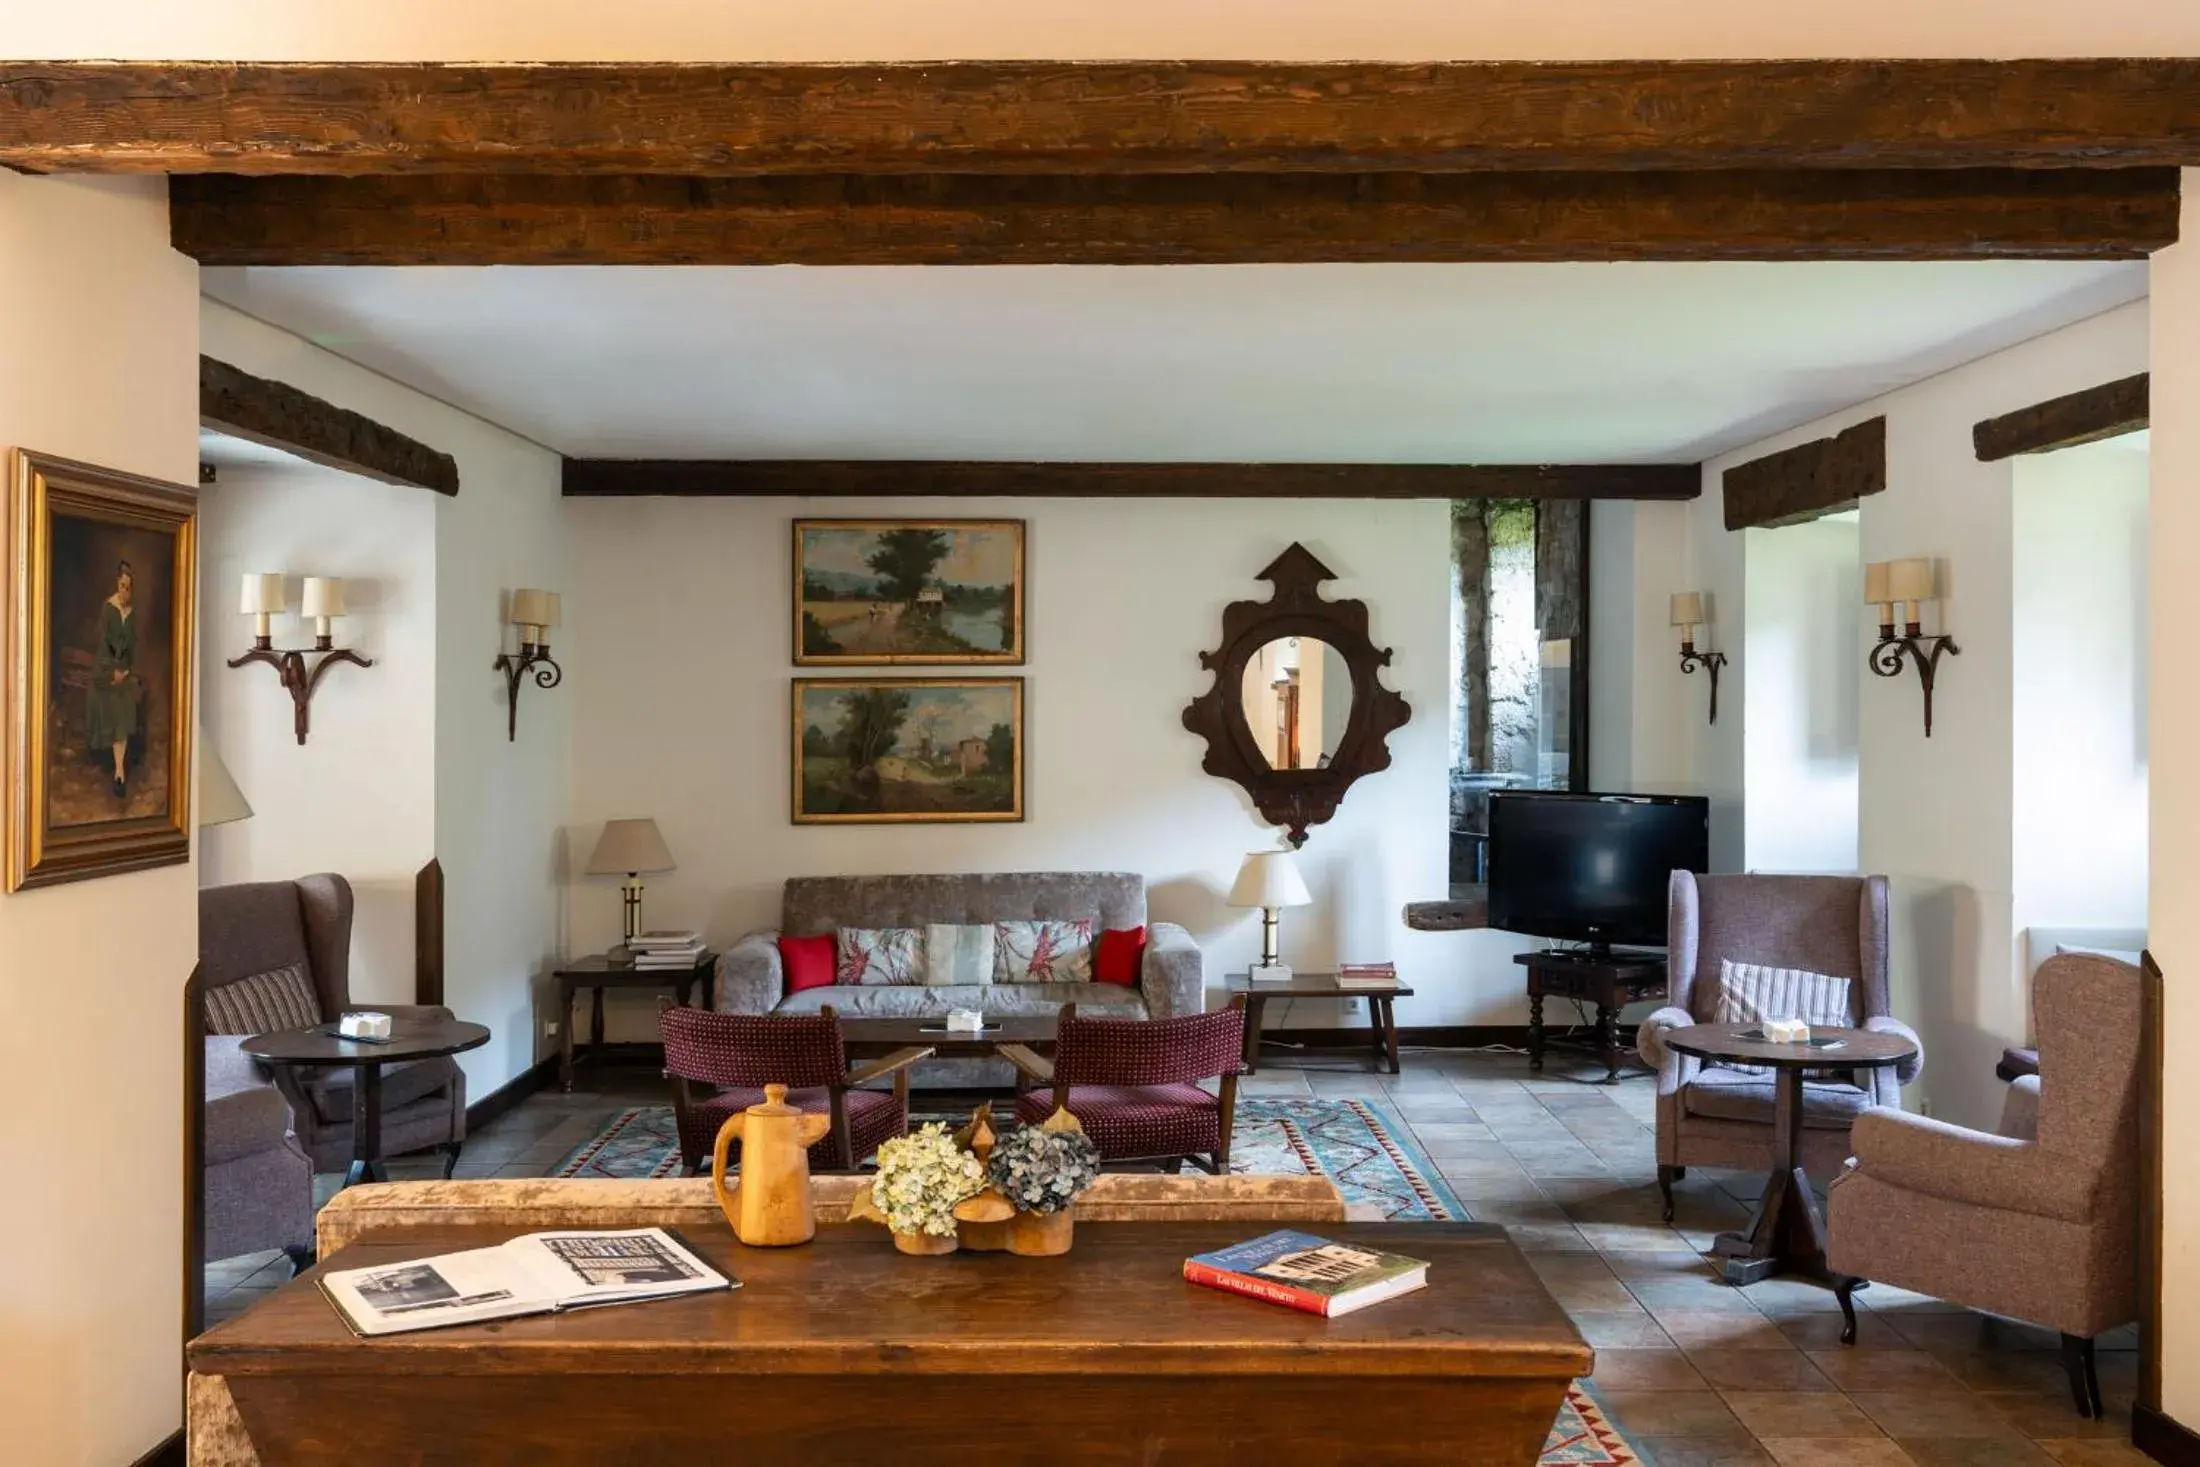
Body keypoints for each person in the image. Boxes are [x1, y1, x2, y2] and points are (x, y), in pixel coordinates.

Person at [86, 559, 142, 800]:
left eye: (129, 587)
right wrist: (112, 672)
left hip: (123, 669)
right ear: (117, 585)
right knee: (108, 697)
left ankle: (119, 771)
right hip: (104, 666)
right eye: (122, 586)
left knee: (125, 701)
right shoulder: (108, 608)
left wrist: (126, 670)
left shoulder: (133, 613)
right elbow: (105, 644)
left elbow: (132, 648)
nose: (125, 591)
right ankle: (118, 768)